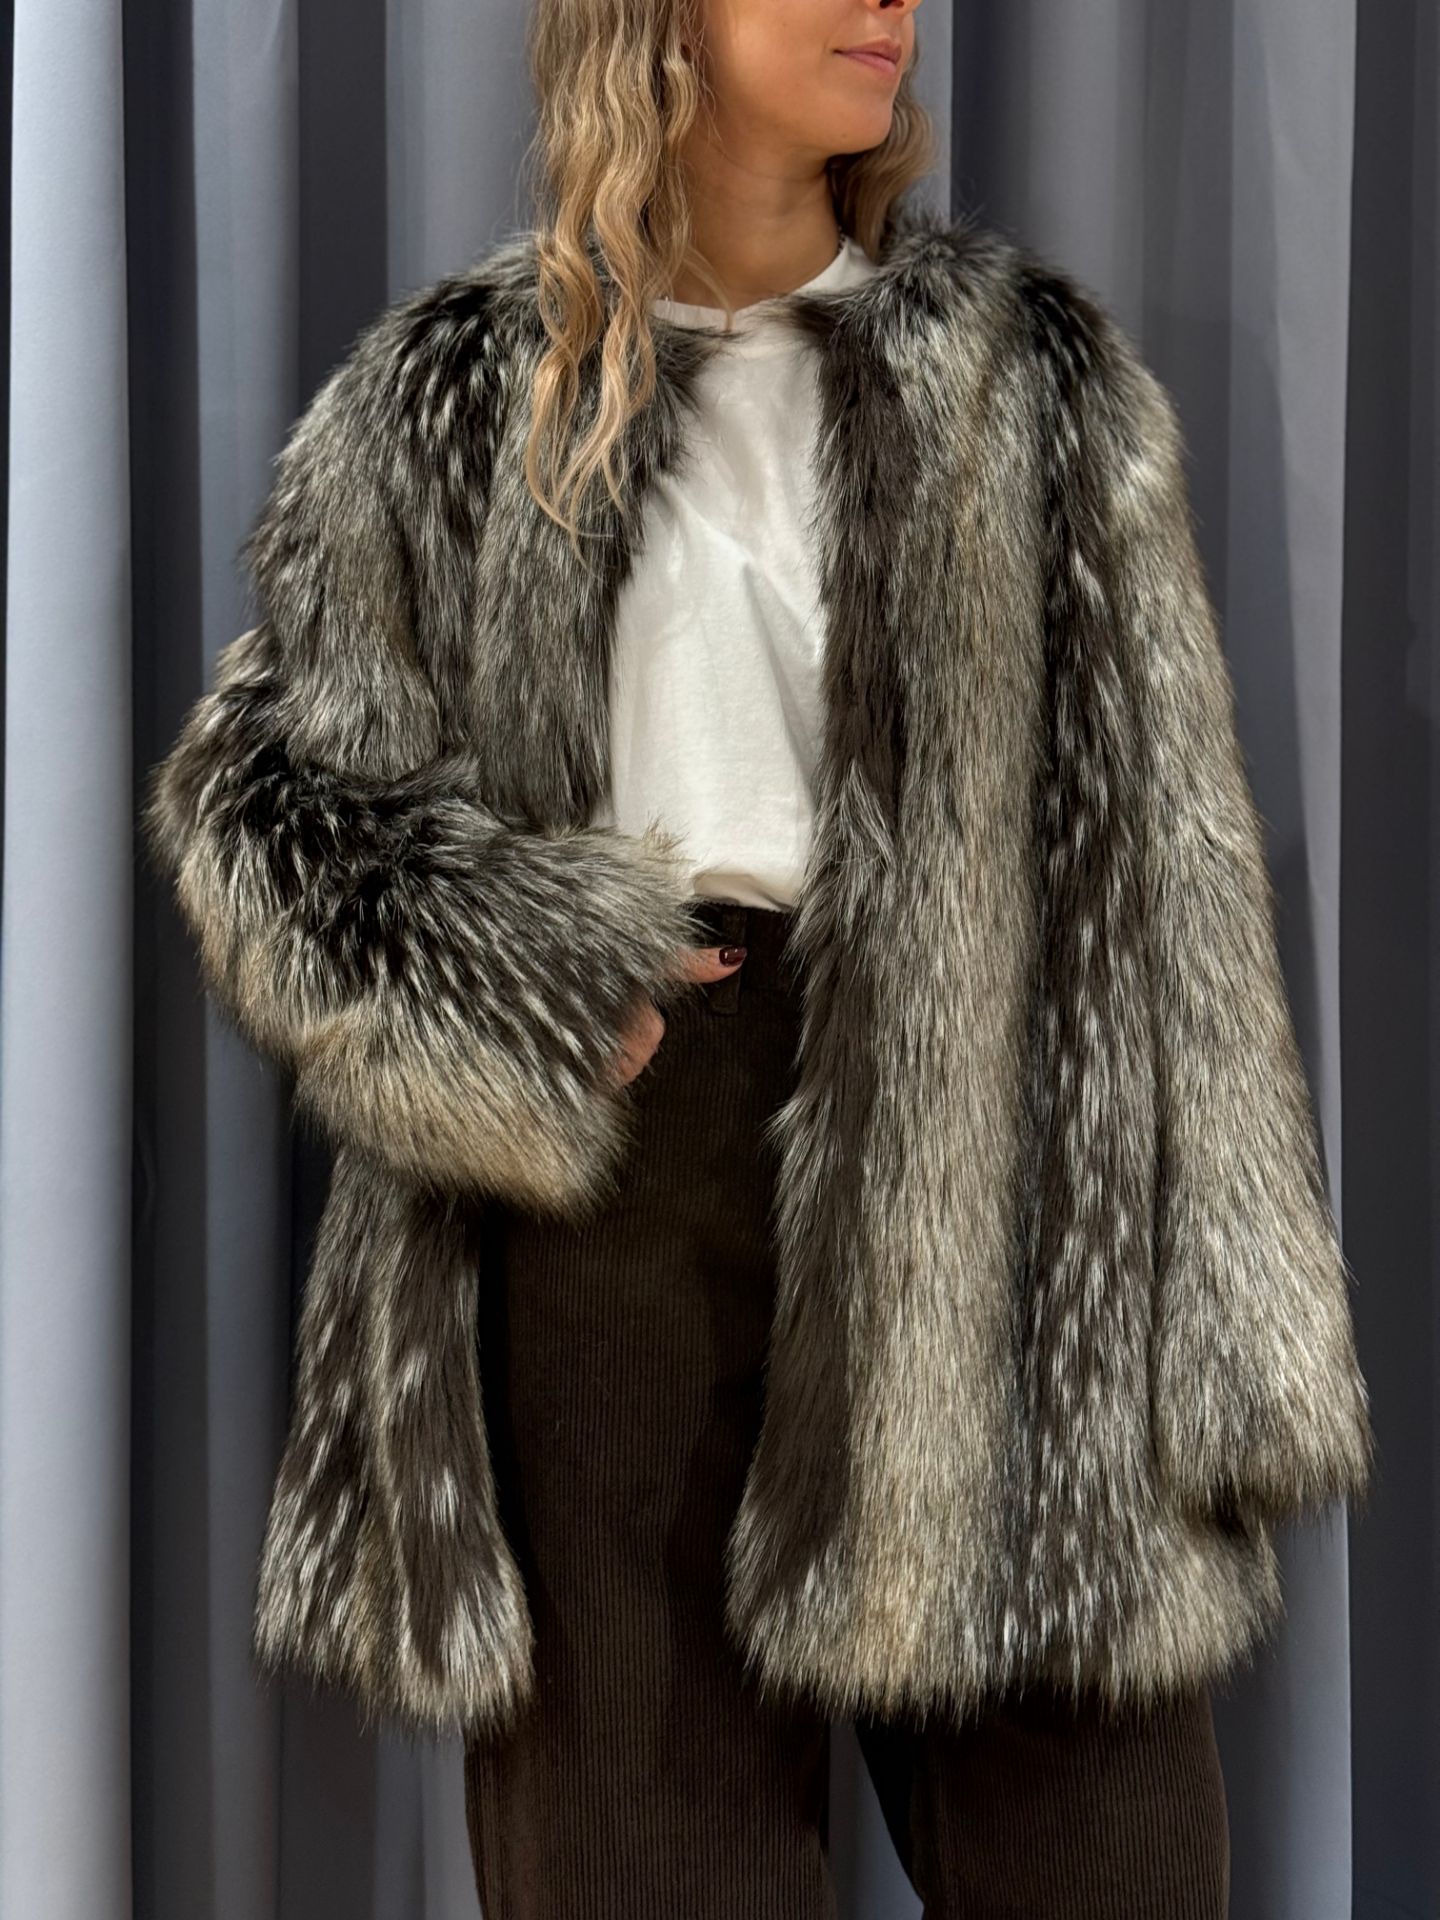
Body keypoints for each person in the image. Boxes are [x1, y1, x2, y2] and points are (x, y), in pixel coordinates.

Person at [143, 0, 1375, 1913]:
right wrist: (530, 977)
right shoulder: (457, 395)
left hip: (987, 1178)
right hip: (618, 1180)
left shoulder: (1034, 387)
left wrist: (1232, 1332)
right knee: (645, 1860)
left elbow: (1176, 882)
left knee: (1111, 1855)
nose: (890, 3)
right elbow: (262, 801)